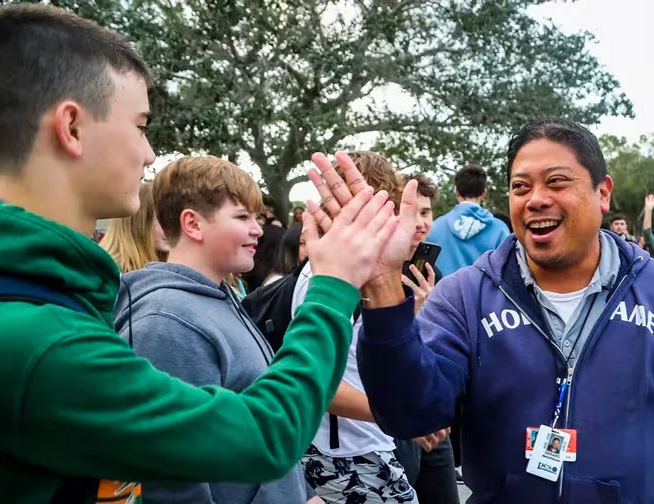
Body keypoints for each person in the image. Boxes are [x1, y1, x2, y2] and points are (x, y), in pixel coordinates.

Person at [0, 4, 400, 502]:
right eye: (140, 126)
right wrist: (334, 283)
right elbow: (263, 436)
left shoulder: (54, 302)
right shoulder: (40, 343)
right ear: (72, 127)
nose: (148, 153)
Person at [307, 118, 654, 503]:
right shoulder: (465, 296)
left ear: (603, 192)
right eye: (520, 187)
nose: (535, 200)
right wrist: (383, 285)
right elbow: (411, 412)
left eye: (556, 182)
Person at [113, 156, 311, 503]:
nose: (258, 230)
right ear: (193, 224)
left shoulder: (225, 298)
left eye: (256, 217)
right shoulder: (166, 323)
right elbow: (175, 476)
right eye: (242, 217)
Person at [296, 152, 428, 504]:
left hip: (365, 444)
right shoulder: (322, 278)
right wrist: (399, 415)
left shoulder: (360, 274)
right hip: (347, 452)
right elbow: (322, 384)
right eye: (390, 208)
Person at [395, 173, 460, 504]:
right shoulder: (376, 276)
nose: (421, 223)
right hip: (389, 430)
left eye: (427, 212)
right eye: (414, 212)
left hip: (433, 423)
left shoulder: (433, 275)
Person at [426, 164, 509, 276]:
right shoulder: (500, 229)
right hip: (485, 293)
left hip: (443, 292)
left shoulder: (434, 228)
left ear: (456, 191)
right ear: (484, 193)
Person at [101, 181, 169, 272]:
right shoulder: (112, 272)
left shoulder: (168, 264)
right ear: (138, 224)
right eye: (161, 219)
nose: (171, 227)